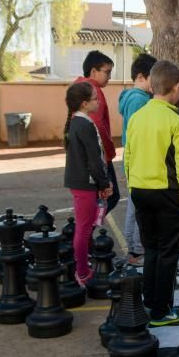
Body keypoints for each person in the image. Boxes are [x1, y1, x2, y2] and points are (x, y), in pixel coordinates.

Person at [124, 60, 179, 327]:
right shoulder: (175, 118)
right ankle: (161, 310)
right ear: (176, 88)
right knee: (167, 254)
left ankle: (150, 301)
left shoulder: (138, 115)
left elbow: (128, 156)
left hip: (140, 192)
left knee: (151, 250)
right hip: (167, 194)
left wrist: (132, 187)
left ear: (151, 86)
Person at [63, 81, 112, 288]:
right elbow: (94, 159)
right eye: (94, 98)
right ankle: (82, 272)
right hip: (85, 184)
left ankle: (82, 266)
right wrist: (104, 183)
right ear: (84, 104)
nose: (98, 101)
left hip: (81, 183)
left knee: (85, 226)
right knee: (83, 230)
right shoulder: (85, 125)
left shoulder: (77, 121)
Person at [118, 52, 157, 266]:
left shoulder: (138, 98)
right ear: (141, 76)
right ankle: (134, 251)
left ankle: (136, 248)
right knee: (136, 207)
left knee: (137, 205)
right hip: (137, 161)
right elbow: (137, 134)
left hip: (136, 160)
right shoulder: (138, 100)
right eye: (153, 77)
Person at [75, 51, 119, 213]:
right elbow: (98, 125)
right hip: (97, 155)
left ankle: (86, 230)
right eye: (107, 72)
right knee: (110, 197)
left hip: (84, 154)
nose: (109, 77)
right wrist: (108, 152)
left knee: (96, 198)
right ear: (93, 72)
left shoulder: (78, 87)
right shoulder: (93, 90)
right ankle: (87, 230)